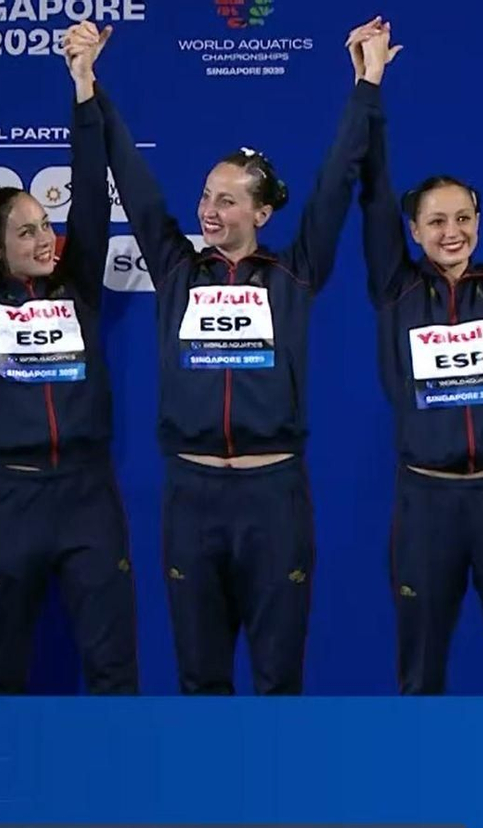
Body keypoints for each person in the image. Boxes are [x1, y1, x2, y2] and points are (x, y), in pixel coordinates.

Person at [93, 20, 375, 694]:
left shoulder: (294, 272)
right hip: (191, 497)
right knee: (200, 678)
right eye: (205, 195)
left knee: (278, 679)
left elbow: (336, 183)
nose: (209, 209)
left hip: (273, 497)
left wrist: (366, 84)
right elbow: (134, 181)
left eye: (227, 199)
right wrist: (89, 85)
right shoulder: (177, 269)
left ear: (262, 213)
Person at [0, 22, 136, 694]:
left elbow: (91, 192)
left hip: (87, 493)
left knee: (113, 668)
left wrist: (83, 88)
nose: (45, 238)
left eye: (45, 224)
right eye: (26, 232)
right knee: (1, 671)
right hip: (8, 497)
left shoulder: (78, 285)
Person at [351, 20, 483, 694]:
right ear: (414, 231)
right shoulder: (396, 288)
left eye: (464, 218)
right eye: (437, 221)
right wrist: (370, 83)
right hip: (427, 504)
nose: (453, 232)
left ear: (480, 222)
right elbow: (372, 184)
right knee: (420, 672)